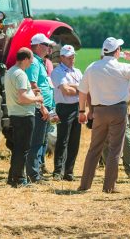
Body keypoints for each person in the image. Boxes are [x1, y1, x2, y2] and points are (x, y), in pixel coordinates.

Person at [77, 37, 130, 193]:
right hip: (118, 111)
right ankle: (109, 186)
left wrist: (82, 111)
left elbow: (82, 91)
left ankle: (84, 185)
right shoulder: (123, 67)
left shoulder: (92, 67)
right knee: (115, 150)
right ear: (117, 51)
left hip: (98, 111)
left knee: (94, 148)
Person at [5, 47, 45, 187]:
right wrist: (37, 98)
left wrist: (30, 91)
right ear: (26, 59)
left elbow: (19, 94)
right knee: (23, 149)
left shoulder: (10, 72)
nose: (32, 62)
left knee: (18, 148)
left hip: (15, 114)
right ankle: (19, 179)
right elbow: (22, 98)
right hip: (24, 116)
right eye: (31, 59)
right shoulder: (21, 74)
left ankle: (12, 177)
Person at [25, 33, 58, 183]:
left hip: (44, 108)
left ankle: (37, 171)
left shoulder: (40, 62)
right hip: (39, 108)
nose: (49, 48)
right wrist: (42, 106)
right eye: (47, 45)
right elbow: (33, 86)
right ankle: (33, 175)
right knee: (36, 142)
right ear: (38, 46)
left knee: (42, 141)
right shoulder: (34, 63)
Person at [51, 44, 83, 181]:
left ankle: (69, 172)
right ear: (62, 57)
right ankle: (58, 171)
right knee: (62, 141)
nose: (72, 59)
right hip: (64, 108)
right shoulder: (57, 72)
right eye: (69, 57)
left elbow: (84, 90)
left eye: (73, 56)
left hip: (77, 107)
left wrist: (74, 89)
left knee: (74, 142)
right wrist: (78, 89)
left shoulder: (78, 71)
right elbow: (65, 91)